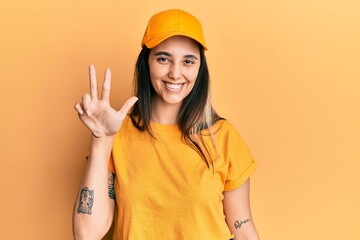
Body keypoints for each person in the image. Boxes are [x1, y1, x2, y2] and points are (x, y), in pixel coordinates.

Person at [73, 9, 260, 240]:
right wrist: (101, 140)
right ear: (146, 62)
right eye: (163, 58)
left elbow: (242, 229)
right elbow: (86, 234)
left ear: (200, 69)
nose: (175, 73)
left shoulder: (223, 136)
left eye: (188, 61)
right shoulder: (117, 136)